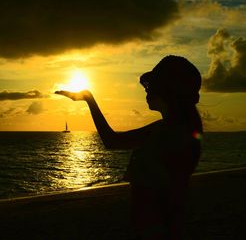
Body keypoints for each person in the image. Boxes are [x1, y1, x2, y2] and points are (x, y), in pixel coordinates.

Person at [55, 55, 203, 239]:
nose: (147, 91)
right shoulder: (181, 128)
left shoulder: (168, 131)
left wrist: (89, 100)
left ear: (167, 90)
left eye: (152, 86)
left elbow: (112, 141)